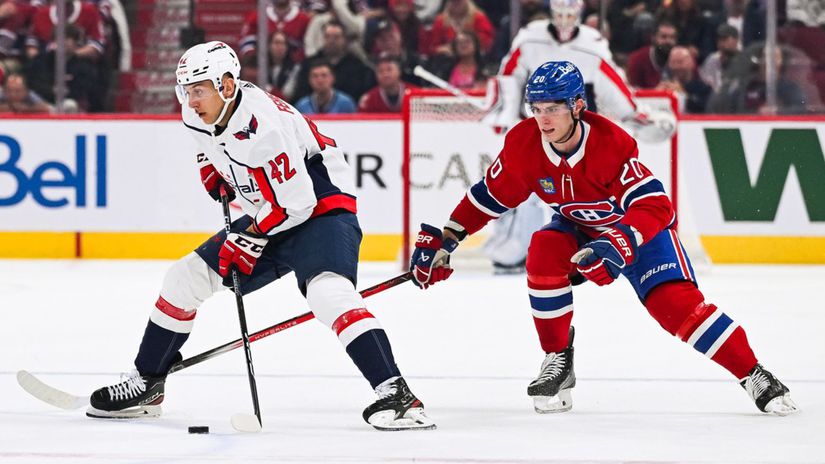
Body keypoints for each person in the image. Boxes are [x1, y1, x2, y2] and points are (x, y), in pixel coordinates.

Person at [409, 61, 798, 417]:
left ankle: (754, 374)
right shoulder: (524, 145)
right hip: (579, 233)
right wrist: (447, 240)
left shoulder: (611, 144)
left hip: (639, 235)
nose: (543, 119)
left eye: (553, 108)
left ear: (578, 105)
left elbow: (656, 206)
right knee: (543, 249)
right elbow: (487, 197)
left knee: (675, 308)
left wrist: (619, 242)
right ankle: (558, 361)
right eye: (537, 108)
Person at [86, 41, 435, 431]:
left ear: (228, 85)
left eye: (198, 89)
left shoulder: (263, 128)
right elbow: (209, 144)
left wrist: (249, 237)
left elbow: (298, 202)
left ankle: (397, 394)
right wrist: (211, 166)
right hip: (269, 211)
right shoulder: (196, 110)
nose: (190, 98)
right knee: (183, 279)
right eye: (186, 89)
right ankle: (147, 383)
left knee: (328, 293)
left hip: (321, 212)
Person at [484, 0, 675, 274]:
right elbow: (509, 77)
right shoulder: (530, 37)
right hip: (538, 132)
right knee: (522, 186)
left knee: (581, 196)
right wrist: (505, 112)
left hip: (579, 139)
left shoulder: (591, 43)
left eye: (569, 13)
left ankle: (601, 243)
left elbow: (613, 85)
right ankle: (513, 249)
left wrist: (638, 114)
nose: (563, 19)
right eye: (559, 12)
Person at [657, 45, 712, 113]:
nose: (676, 67)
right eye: (673, 62)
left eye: (680, 62)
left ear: (691, 63)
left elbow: (704, 108)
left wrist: (683, 95)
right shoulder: (664, 85)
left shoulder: (704, 88)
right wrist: (656, 95)